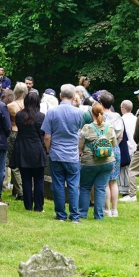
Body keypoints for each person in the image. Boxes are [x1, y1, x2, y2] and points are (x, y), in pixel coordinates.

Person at [42, 84, 84, 222]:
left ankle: (60, 215)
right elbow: (80, 134)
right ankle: (75, 216)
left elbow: (47, 136)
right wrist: (79, 149)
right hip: (72, 154)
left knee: (58, 184)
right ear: (73, 97)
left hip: (56, 153)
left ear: (60, 96)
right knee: (73, 186)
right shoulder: (79, 113)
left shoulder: (52, 112)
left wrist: (49, 150)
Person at [77, 103, 117, 220]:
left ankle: (82, 213)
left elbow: (80, 146)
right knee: (100, 188)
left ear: (91, 114)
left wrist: (81, 150)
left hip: (89, 162)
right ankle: (99, 216)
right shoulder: (109, 127)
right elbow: (114, 144)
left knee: (85, 187)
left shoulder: (87, 128)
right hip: (107, 162)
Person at [13, 91, 47, 212]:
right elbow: (43, 133)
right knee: (39, 179)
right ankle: (38, 206)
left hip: (22, 148)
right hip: (37, 148)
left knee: (26, 178)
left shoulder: (19, 115)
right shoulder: (41, 116)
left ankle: (28, 205)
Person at [99, 93, 124, 217]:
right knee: (113, 181)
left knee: (105, 180)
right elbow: (120, 136)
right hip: (115, 148)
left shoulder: (100, 116)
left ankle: (107, 209)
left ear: (101, 103)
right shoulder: (118, 116)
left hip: (102, 148)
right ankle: (115, 210)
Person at [6, 82, 28, 200]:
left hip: (13, 133)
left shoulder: (11, 106)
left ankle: (20, 192)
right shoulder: (29, 105)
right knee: (24, 162)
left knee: (13, 163)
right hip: (25, 134)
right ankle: (16, 189)